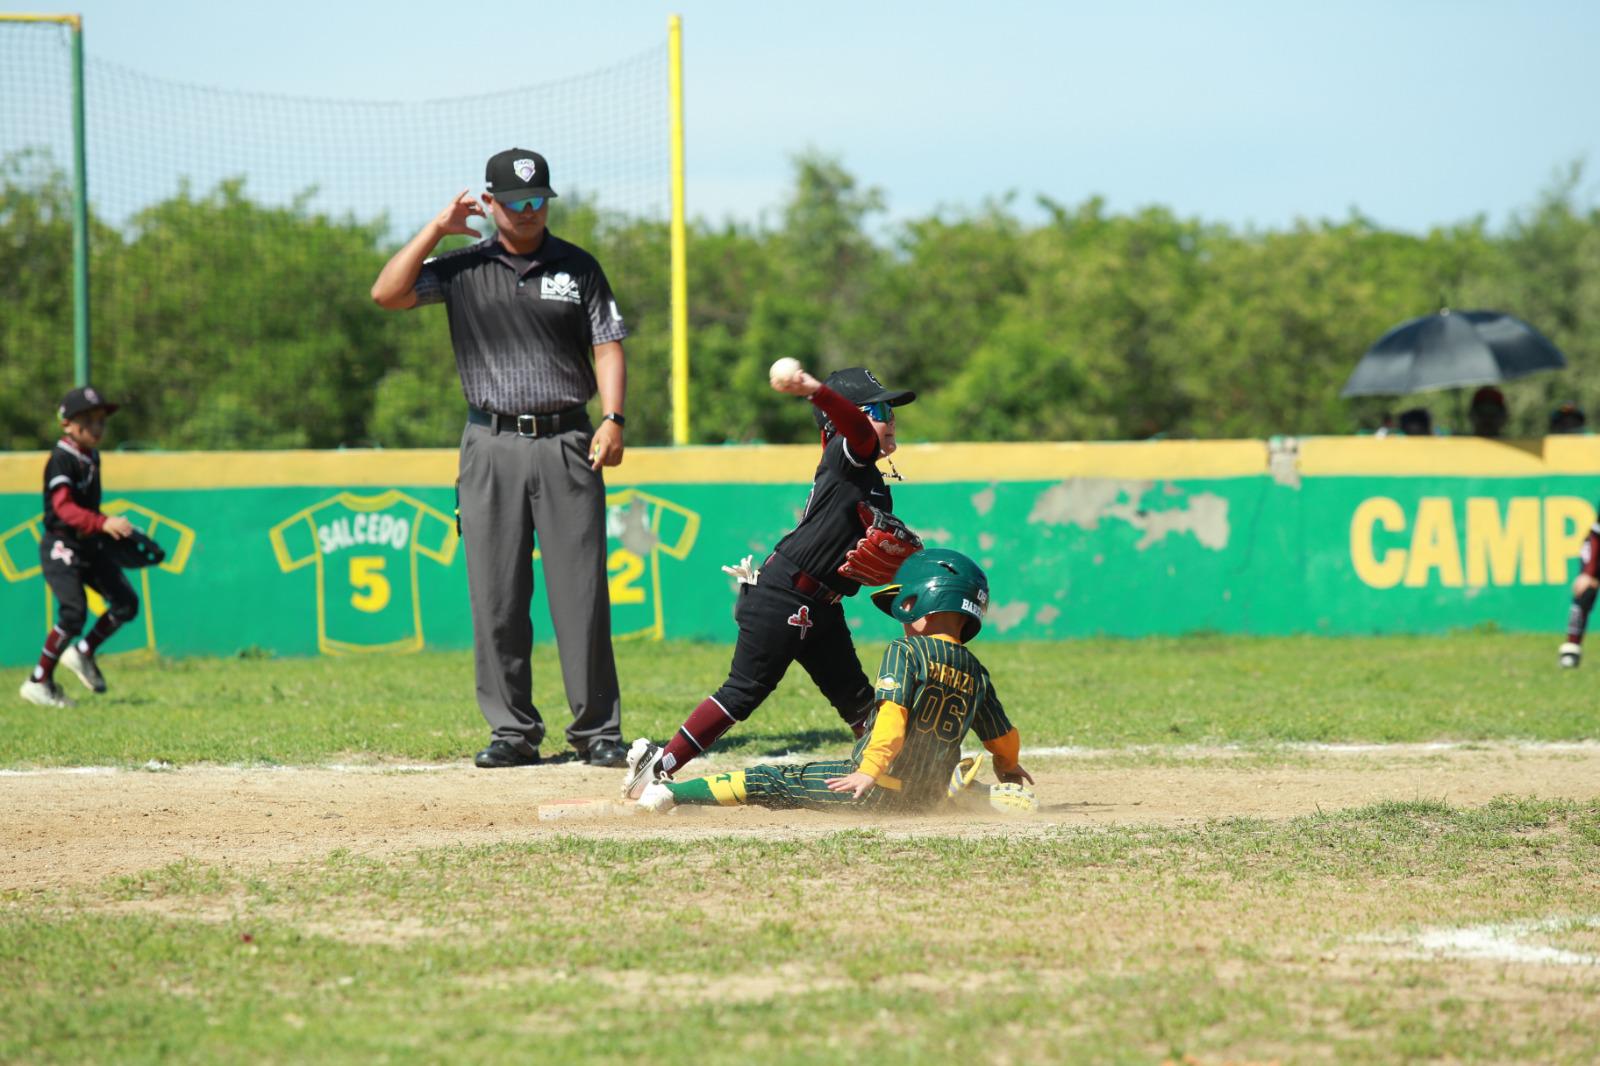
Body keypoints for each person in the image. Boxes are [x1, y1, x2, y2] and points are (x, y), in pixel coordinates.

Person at [370, 148, 629, 769]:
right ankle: (512, 731)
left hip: (568, 441)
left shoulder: (577, 267)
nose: (528, 210)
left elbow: (608, 343)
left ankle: (597, 732)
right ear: (489, 204)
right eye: (514, 202)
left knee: (581, 595)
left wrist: (615, 418)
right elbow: (387, 294)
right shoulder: (462, 268)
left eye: (538, 199)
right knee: (496, 597)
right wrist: (436, 228)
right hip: (489, 445)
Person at [621, 363, 924, 799]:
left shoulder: (872, 479)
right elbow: (857, 429)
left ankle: (906, 780)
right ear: (842, 421)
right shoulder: (846, 453)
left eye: (890, 410)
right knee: (744, 692)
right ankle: (659, 764)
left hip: (823, 605)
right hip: (784, 594)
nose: (890, 418)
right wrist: (814, 390)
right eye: (878, 409)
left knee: (859, 701)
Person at [632, 549, 1033, 815]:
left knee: (771, 780)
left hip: (877, 788)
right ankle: (971, 792)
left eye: (904, 606)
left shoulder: (907, 652)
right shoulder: (977, 673)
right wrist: (1009, 768)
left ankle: (669, 794)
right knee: (939, 780)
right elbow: (1003, 738)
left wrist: (868, 772)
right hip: (924, 799)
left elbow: (892, 718)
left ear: (922, 602)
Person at [19, 387, 140, 708]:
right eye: (88, 420)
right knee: (73, 613)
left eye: (101, 420)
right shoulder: (62, 459)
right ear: (67, 424)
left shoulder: (91, 456)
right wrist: (102, 523)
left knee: (126, 603)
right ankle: (39, 682)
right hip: (62, 545)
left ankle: (83, 653)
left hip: (89, 544)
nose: (97, 427)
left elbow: (87, 508)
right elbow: (63, 508)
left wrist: (110, 527)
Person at [1558, 505, 1600, 669]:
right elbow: (1597, 534)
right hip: (1597, 549)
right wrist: (1588, 573)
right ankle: (1571, 649)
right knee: (1585, 591)